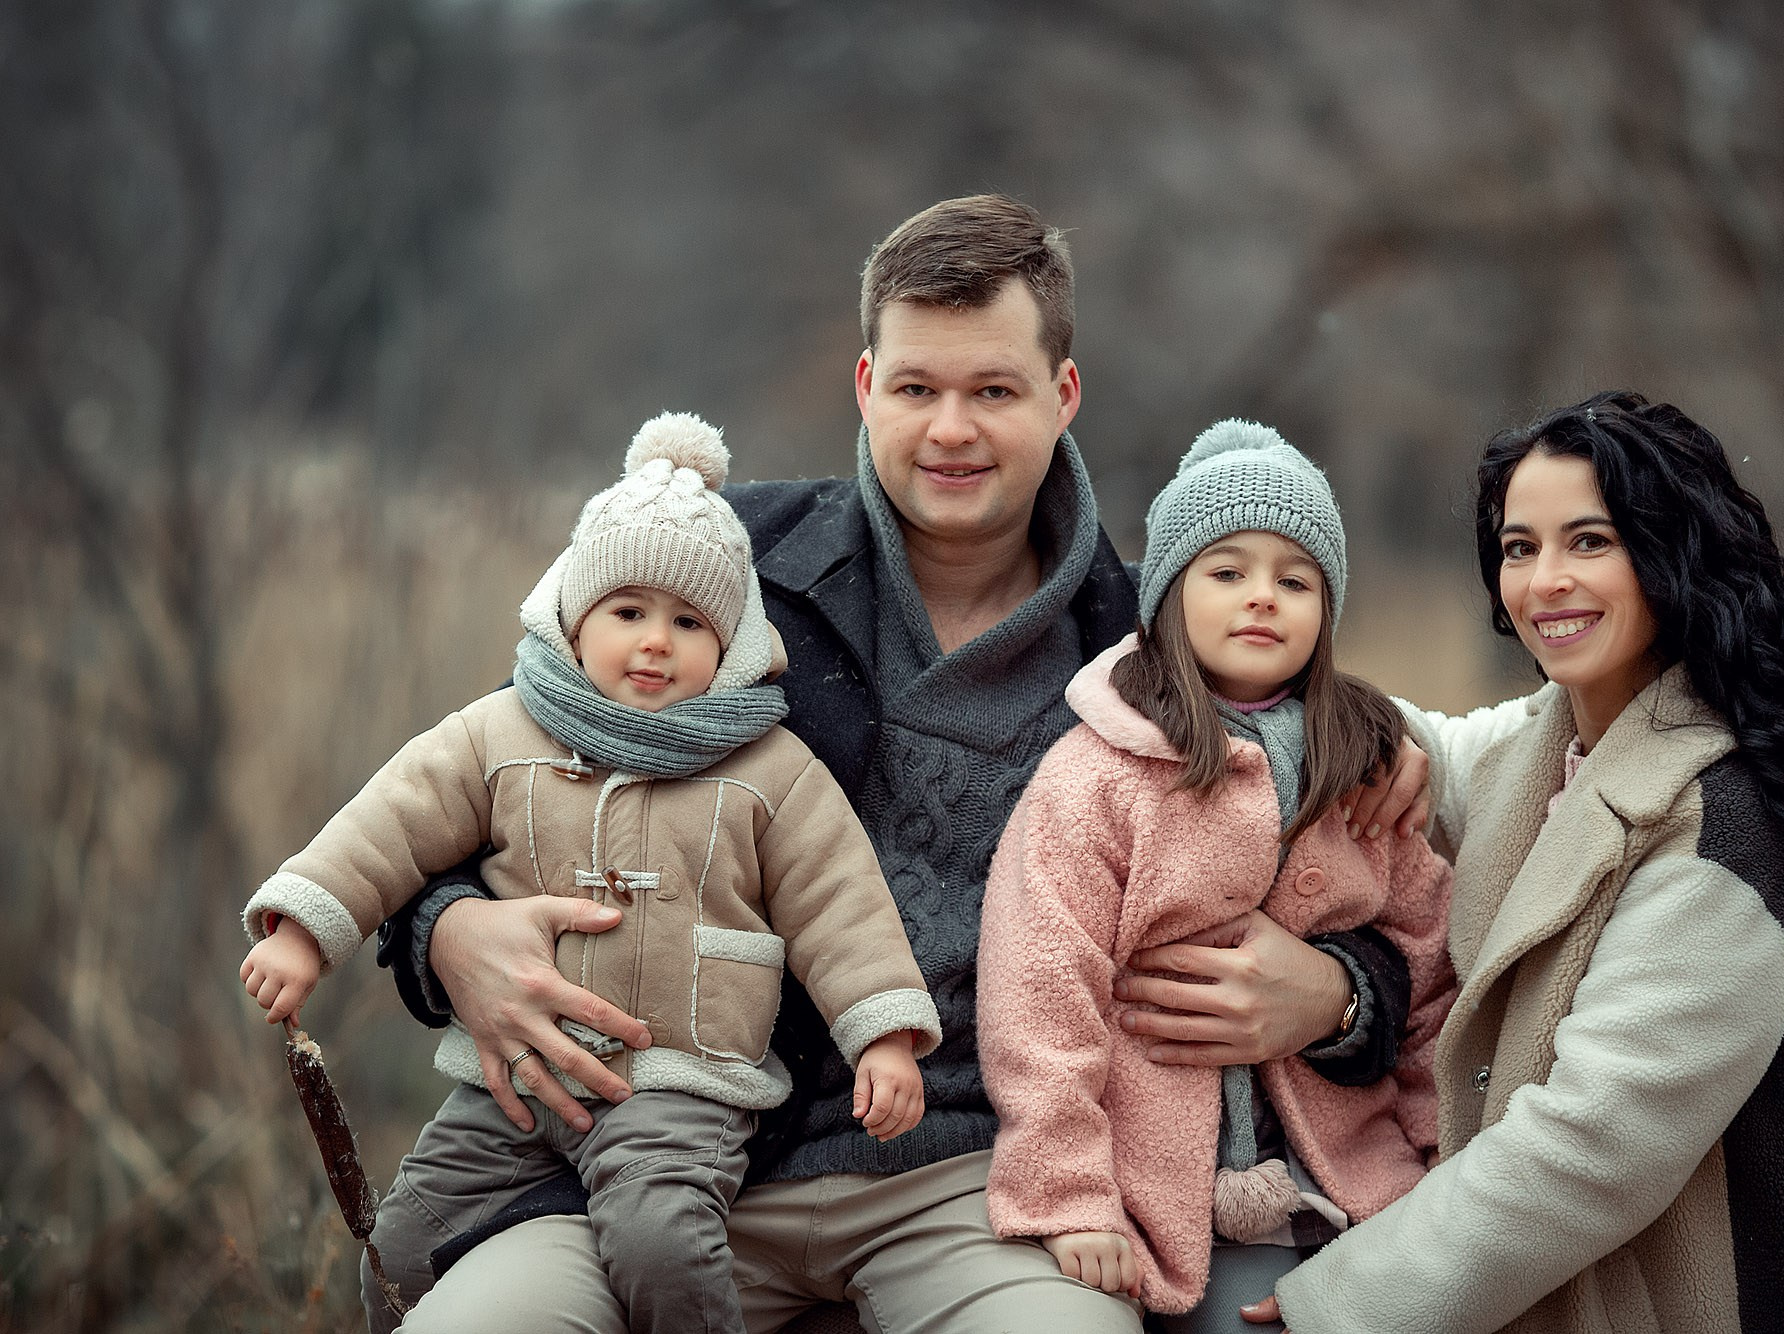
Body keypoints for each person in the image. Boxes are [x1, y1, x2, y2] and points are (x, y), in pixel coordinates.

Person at [372, 195, 1432, 1333]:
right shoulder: (724, 567)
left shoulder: (1155, 638)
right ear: (867, 385)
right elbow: (481, 778)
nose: (950, 430)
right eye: (917, 388)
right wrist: (445, 932)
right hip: (663, 1146)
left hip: (980, 1182)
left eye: (994, 391)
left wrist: (1345, 992)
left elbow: (1324, 842)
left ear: (1064, 394)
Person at [238, 411, 943, 1334]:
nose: (655, 642)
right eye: (628, 613)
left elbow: (839, 903)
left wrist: (883, 1036)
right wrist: (304, 931)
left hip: (680, 1085)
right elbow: (389, 825)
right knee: (401, 1247)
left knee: (660, 1242)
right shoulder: (500, 733)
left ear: (731, 643)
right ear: (575, 618)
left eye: (689, 622)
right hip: (513, 1078)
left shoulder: (771, 770)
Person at [1243, 390, 1784, 1334]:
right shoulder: (1554, 743)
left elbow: (1584, 1152)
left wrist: (1337, 1303)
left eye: (1589, 541)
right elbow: (1436, 751)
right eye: (1520, 548)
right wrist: (1203, 659)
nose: (1545, 581)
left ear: (1670, 553)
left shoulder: (1728, 825)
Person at [978, 421, 1456, 1331]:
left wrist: (1447, 1170)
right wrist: (1069, 1193)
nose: (1262, 597)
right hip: (1166, 1202)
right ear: (1168, 593)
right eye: (1227, 572)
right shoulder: (1100, 775)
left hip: (1358, 1187)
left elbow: (1431, 975)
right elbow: (1039, 991)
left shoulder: (1360, 767)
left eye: (1296, 580)